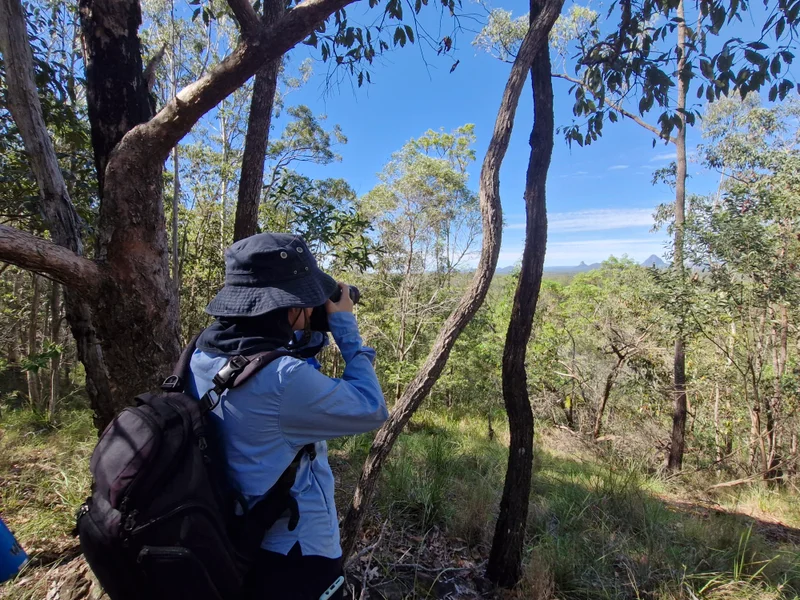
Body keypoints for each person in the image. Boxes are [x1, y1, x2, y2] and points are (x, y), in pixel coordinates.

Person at [187, 233, 388, 600]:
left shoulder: (201, 354)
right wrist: (346, 329)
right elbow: (371, 407)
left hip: (235, 535)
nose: (312, 307)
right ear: (285, 305)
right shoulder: (285, 381)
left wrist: (303, 333)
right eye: (305, 298)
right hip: (298, 551)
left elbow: (264, 369)